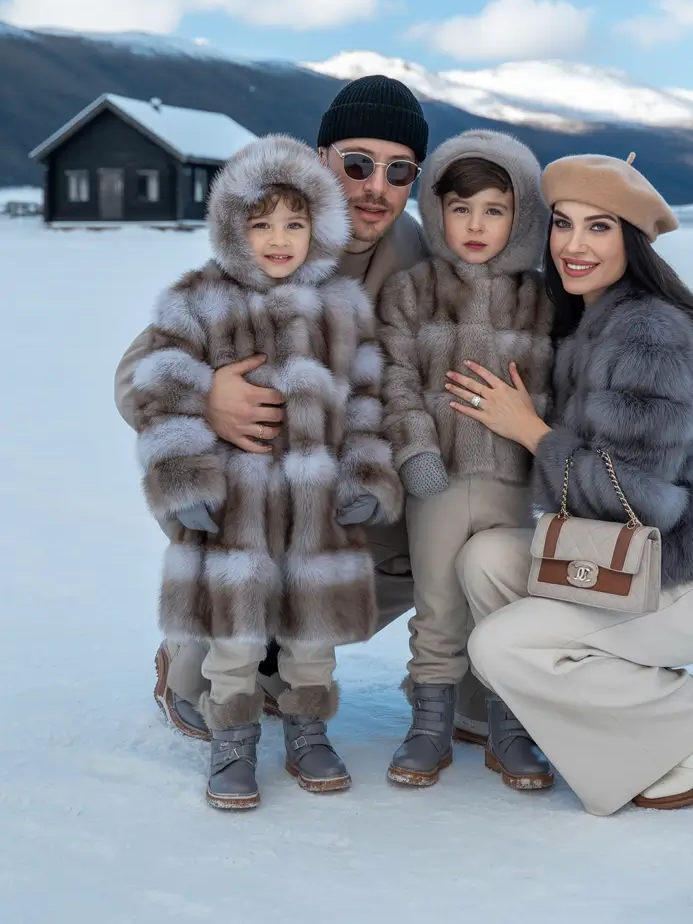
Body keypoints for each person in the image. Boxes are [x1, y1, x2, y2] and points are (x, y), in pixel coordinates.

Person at [114, 76, 490, 746]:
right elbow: (134, 374)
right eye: (357, 163)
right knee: (212, 687)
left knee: (478, 507)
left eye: (399, 170)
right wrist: (208, 397)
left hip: (358, 503)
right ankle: (196, 653)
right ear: (322, 161)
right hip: (255, 509)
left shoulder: (431, 258)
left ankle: (461, 672)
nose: (376, 186)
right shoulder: (273, 240)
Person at [444, 153, 693, 813]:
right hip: (629, 562)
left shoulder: (651, 335)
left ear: (631, 240)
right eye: (562, 225)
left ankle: (692, 724)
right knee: (485, 558)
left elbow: (639, 498)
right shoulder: (586, 322)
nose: (573, 245)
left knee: (501, 643)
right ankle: (542, 719)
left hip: (691, 578)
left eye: (599, 228)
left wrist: (532, 432)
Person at [133, 133, 403, 808]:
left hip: (318, 510)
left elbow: (366, 402)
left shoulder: (343, 306)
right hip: (239, 508)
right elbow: (160, 386)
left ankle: (309, 728)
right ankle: (234, 736)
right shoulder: (199, 298)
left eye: (294, 223)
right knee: (238, 634)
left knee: (312, 632)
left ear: (319, 226)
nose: (279, 239)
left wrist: (368, 476)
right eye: (260, 225)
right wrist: (184, 476)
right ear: (232, 228)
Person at [378, 130, 555, 788]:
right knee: (439, 603)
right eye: (460, 208)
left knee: (507, 600)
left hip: (516, 484)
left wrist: (547, 451)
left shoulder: (540, 300)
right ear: (437, 210)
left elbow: (560, 390)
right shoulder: (413, 291)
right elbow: (393, 382)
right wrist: (416, 449)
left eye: (494, 210)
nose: (475, 225)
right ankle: (430, 724)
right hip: (439, 483)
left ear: (521, 216)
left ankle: (510, 728)